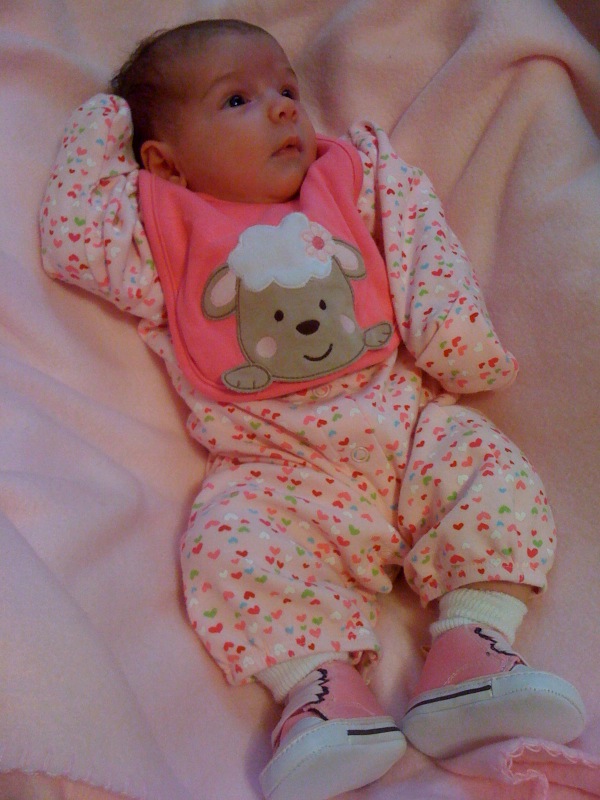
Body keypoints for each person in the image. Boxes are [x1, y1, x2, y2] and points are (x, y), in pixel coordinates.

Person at [39, 18, 586, 800]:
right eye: (237, 99)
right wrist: (104, 120)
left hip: (401, 423)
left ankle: (473, 648)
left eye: (287, 88)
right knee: (227, 543)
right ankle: (322, 695)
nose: (282, 108)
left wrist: (453, 334)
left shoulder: (347, 179)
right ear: (166, 162)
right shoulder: (161, 231)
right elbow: (72, 240)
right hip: (274, 467)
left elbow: (418, 236)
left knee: (485, 464)